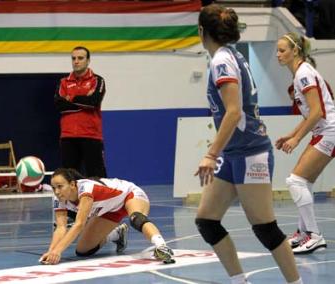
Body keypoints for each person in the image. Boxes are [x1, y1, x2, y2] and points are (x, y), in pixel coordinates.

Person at [194, 4, 302, 284]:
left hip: (250, 153)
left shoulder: (221, 61)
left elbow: (234, 111)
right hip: (232, 154)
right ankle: (239, 281)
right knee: (207, 220)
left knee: (265, 227)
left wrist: (210, 153)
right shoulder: (230, 55)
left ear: (202, 31)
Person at [39, 168, 174, 265]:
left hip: (129, 195)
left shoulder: (85, 190)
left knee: (136, 218)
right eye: (53, 187)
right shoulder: (58, 198)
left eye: (60, 186)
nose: (56, 191)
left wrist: (58, 251)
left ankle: (162, 246)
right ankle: (117, 233)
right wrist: (51, 252)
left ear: (73, 184)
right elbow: (61, 228)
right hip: (110, 210)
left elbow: (79, 224)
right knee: (83, 250)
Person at [276, 32, 332, 254]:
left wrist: (297, 139)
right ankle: (302, 233)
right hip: (323, 131)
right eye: (277, 51)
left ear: (295, 51)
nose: (278, 55)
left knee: (295, 181)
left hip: (329, 131)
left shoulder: (303, 74)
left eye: (282, 50)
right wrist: (291, 134)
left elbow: (317, 112)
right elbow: (310, 116)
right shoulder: (300, 74)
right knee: (303, 181)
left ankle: (314, 235)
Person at [54, 46, 107, 179]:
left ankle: (101, 201)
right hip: (68, 136)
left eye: (80, 58)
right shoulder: (63, 82)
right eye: (73, 58)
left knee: (97, 177)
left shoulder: (97, 80)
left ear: (88, 61)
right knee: (70, 179)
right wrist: (84, 99)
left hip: (91, 135)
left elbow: (93, 102)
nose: (76, 61)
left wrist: (70, 98)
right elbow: (60, 106)